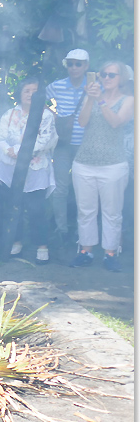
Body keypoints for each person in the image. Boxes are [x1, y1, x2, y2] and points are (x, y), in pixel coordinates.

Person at [69, 60, 134, 272]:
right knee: (85, 211)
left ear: (121, 78)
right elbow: (82, 122)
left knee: (112, 212)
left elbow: (116, 122)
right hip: (84, 162)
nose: (106, 78)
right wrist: (90, 98)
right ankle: (86, 251)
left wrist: (101, 102)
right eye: (103, 74)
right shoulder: (93, 96)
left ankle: (110, 253)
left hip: (113, 164)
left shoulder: (130, 100)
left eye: (111, 75)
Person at [0, 76, 57, 264]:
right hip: (10, 168)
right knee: (14, 205)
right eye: (26, 91)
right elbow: (0, 138)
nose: (30, 94)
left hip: (36, 169)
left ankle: (42, 246)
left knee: (36, 208)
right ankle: (17, 242)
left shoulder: (46, 115)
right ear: (19, 94)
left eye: (34, 91)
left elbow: (44, 141)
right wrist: (8, 150)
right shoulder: (10, 114)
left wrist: (20, 151)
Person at [45, 48, 90, 244]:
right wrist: (53, 115)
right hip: (63, 143)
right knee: (60, 188)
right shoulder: (58, 86)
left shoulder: (94, 87)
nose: (73, 67)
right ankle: (61, 229)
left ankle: (84, 233)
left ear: (86, 66)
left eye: (78, 64)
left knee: (85, 189)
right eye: (70, 63)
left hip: (87, 145)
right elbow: (37, 98)